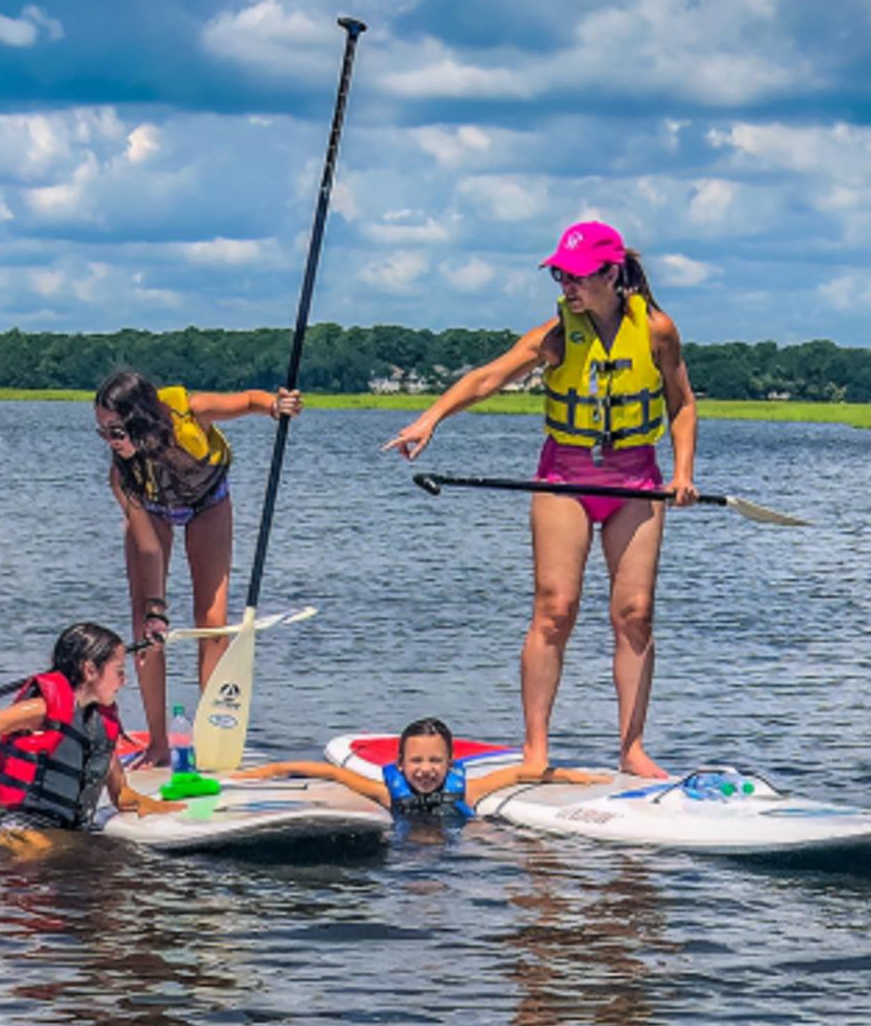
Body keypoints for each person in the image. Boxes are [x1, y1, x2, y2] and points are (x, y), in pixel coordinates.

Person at [384, 222, 697, 778]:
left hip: (635, 481)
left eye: (576, 276)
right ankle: (536, 750)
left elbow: (682, 403)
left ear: (611, 274)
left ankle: (631, 749)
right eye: (559, 276)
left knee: (635, 614)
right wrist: (429, 419)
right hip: (565, 479)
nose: (566, 286)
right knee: (555, 609)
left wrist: (684, 473)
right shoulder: (553, 335)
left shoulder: (656, 329)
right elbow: (487, 379)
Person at [94, 369, 302, 765]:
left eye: (115, 431)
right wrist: (156, 609)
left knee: (212, 621)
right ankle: (158, 743)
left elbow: (248, 401)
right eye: (102, 432)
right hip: (154, 510)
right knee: (145, 629)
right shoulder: (123, 476)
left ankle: (212, 735)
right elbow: (149, 548)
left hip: (208, 503)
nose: (110, 441)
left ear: (140, 418)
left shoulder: (191, 410)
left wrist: (277, 406)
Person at [0, 623, 180, 830]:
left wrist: (164, 809)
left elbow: (121, 795)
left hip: (67, 829)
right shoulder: (41, 710)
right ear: (90, 670)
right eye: (119, 671)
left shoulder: (98, 724)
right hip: (20, 827)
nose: (124, 680)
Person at [235, 717, 599, 828]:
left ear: (450, 764)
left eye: (435, 762)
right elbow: (330, 774)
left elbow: (518, 775)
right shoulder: (386, 792)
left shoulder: (467, 790)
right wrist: (272, 769)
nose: (426, 770)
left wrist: (572, 776)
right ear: (400, 765)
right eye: (417, 762)